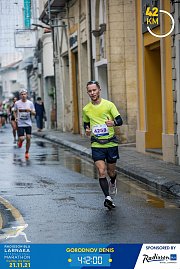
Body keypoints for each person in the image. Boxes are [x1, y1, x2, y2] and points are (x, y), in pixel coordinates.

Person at [83, 80, 123, 210]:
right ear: (87, 92)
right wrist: (87, 130)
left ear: (99, 90)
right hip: (97, 144)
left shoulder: (109, 105)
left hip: (111, 143)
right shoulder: (86, 109)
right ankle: (107, 197)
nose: (92, 93)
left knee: (111, 172)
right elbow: (86, 123)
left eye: (94, 90)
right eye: (90, 91)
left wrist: (114, 123)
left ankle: (113, 181)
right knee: (101, 171)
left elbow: (120, 120)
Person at [14, 89, 36, 159]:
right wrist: (16, 117)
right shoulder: (17, 103)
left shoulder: (30, 103)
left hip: (28, 123)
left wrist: (30, 110)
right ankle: (20, 141)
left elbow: (34, 113)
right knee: (22, 138)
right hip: (20, 123)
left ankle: (27, 152)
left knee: (28, 138)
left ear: (27, 95)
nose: (23, 95)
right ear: (20, 95)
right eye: (22, 94)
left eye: (25, 94)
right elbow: (14, 111)